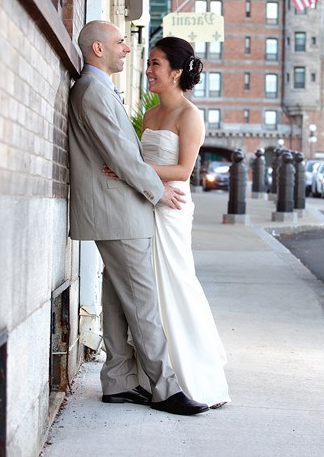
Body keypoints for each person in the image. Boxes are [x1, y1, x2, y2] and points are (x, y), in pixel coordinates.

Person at [68, 20, 209, 417]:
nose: (127, 50)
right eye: (120, 42)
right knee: (143, 304)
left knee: (116, 298)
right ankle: (164, 388)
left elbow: (137, 158)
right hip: (119, 209)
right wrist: (156, 190)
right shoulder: (93, 90)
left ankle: (117, 381)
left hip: (116, 208)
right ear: (98, 49)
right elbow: (122, 154)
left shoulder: (96, 88)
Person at [104, 36, 231, 409]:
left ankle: (193, 374)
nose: (148, 71)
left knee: (174, 282)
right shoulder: (150, 115)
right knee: (147, 292)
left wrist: (131, 169)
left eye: (156, 64)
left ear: (176, 72)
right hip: (145, 203)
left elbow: (183, 170)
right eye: (149, 63)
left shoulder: (189, 116)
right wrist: (135, 175)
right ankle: (153, 375)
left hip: (171, 207)